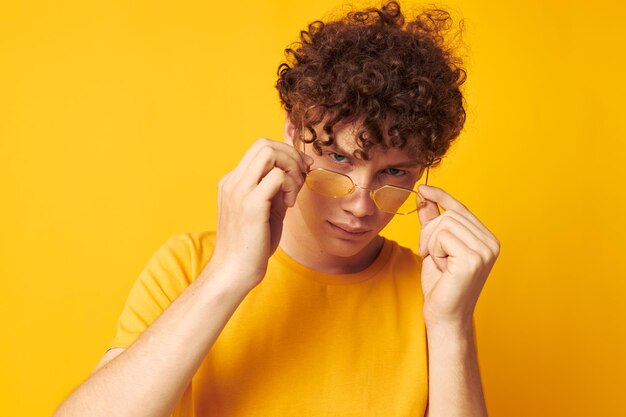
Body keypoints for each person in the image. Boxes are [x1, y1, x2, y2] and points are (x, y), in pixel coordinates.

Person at [54, 2, 499, 416]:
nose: (362, 205)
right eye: (340, 159)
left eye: (395, 173)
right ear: (293, 131)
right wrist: (228, 274)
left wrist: (451, 326)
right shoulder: (188, 266)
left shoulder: (430, 291)